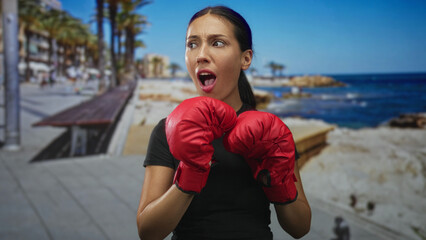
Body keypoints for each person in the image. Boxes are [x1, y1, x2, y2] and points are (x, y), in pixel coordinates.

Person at [136, 5, 311, 240]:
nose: (201, 55)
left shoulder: (271, 132)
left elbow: (300, 228)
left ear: (245, 58)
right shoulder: (166, 130)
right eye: (192, 44)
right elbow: (148, 231)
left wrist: (277, 180)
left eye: (217, 42)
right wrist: (190, 174)